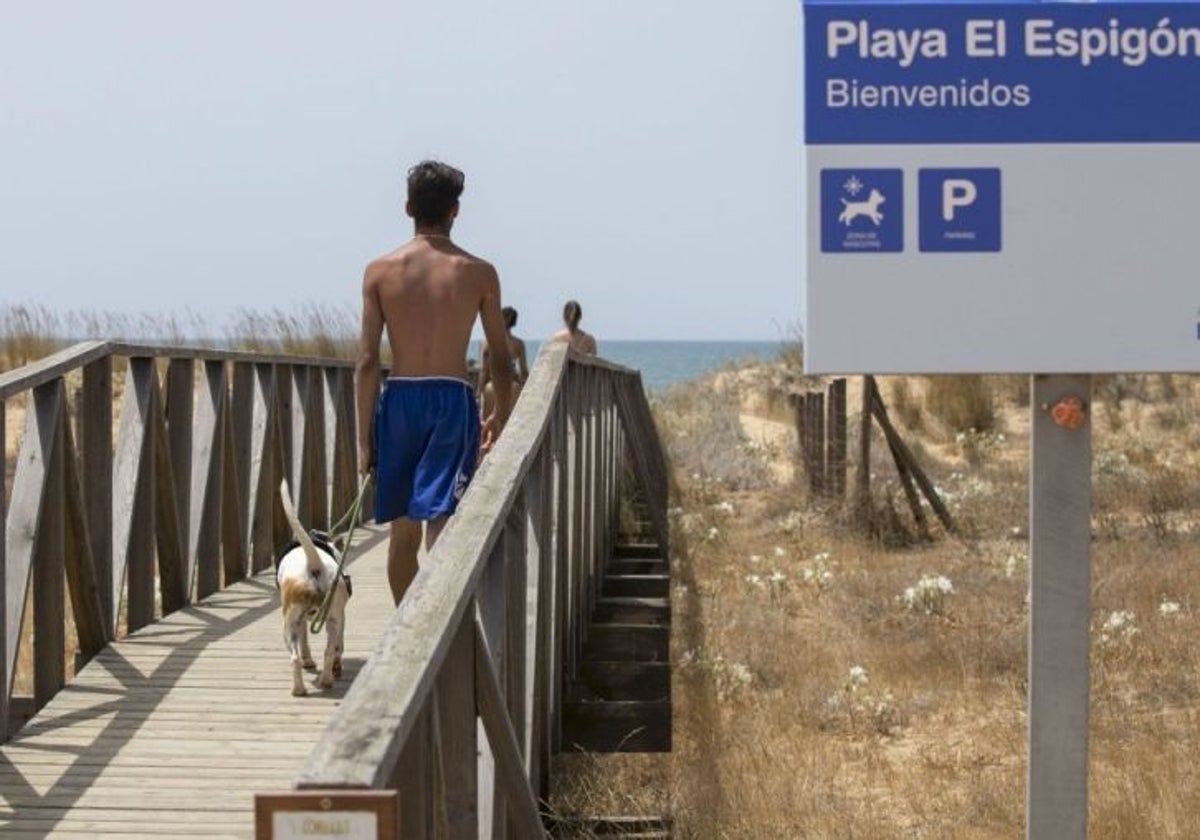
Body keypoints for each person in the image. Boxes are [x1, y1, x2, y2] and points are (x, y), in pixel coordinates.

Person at [355, 160, 514, 605]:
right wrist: (501, 414)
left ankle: (407, 627)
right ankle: (437, 630)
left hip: (400, 400)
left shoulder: (379, 272)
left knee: (402, 531)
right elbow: (500, 357)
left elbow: (366, 361)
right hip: (451, 399)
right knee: (441, 520)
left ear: (408, 208)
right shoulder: (479, 273)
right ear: (456, 210)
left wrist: (363, 439)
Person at [478, 306, 528, 420]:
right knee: (511, 422)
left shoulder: (487, 342)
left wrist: (478, 392)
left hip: (492, 385)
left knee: (487, 421)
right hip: (512, 386)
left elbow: (484, 370)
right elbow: (524, 372)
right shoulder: (518, 343)